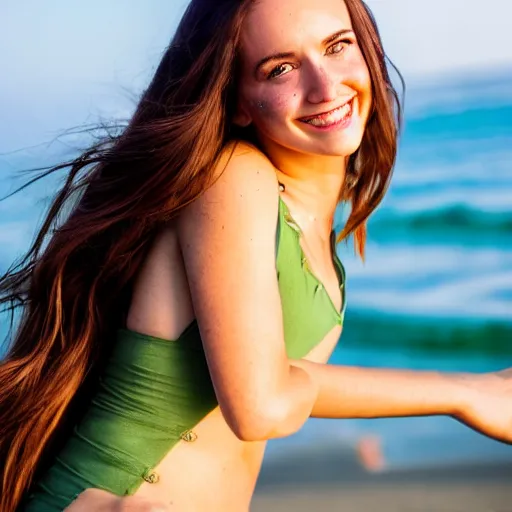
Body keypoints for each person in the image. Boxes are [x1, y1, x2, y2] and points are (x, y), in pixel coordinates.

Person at [1, 0, 511, 510]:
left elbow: (268, 385)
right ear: (238, 99)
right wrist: (463, 392)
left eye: (337, 46)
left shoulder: (306, 227)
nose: (325, 86)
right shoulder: (233, 177)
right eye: (281, 68)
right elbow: (260, 404)